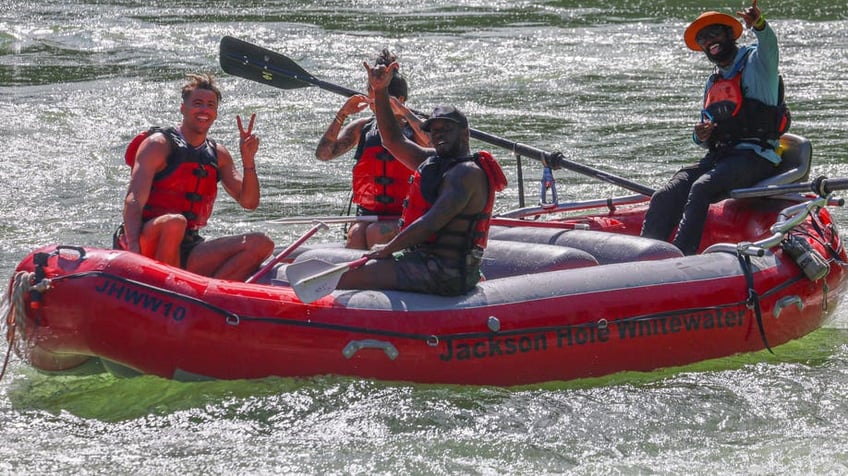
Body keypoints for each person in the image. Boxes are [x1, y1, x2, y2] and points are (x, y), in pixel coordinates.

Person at [335, 60, 507, 296]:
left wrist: (387, 250)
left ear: (465, 134)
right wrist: (380, 91)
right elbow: (393, 141)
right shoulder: (435, 162)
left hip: (446, 272)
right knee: (354, 272)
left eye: (446, 130)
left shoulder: (467, 173)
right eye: (434, 131)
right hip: (424, 261)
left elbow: (430, 223)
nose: (439, 136)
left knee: (349, 278)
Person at [640, 0, 789, 255]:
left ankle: (682, 256)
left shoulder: (759, 62)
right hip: (721, 157)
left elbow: (770, 44)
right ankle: (646, 255)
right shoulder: (714, 81)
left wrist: (760, 25)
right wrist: (699, 136)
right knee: (666, 193)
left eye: (714, 33)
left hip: (757, 156)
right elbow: (705, 131)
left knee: (701, 187)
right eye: (703, 39)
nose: (709, 41)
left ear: (730, 35)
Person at [116, 73, 274, 281]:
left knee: (262, 243)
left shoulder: (218, 154)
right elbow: (134, 199)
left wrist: (248, 160)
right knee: (175, 222)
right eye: (197, 103)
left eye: (210, 105)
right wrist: (133, 249)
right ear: (183, 108)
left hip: (189, 245)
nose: (204, 110)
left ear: (216, 113)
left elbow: (249, 202)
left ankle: (206, 294)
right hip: (149, 238)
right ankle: (166, 288)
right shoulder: (158, 145)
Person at [315, 49, 430, 250]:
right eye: (372, 99)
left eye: (379, 99)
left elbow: (433, 145)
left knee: (376, 232)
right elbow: (323, 154)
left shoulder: (416, 129)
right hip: (368, 215)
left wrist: (404, 112)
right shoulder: (362, 128)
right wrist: (342, 114)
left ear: (400, 99)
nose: (374, 105)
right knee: (356, 234)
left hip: (406, 215)